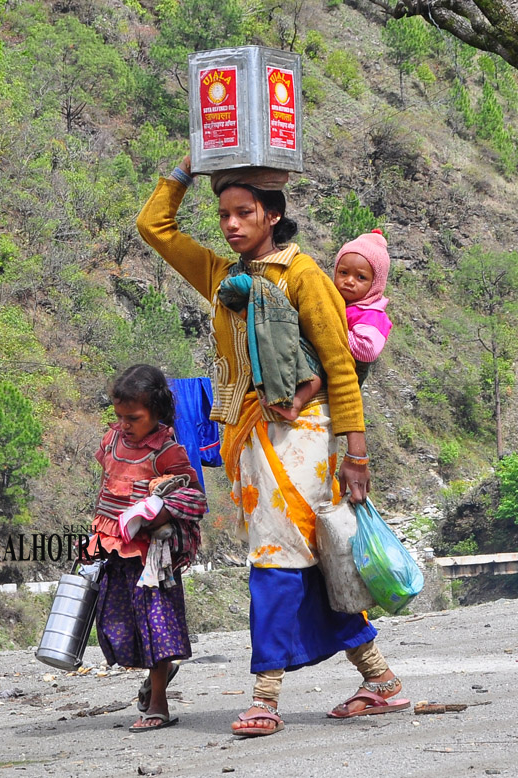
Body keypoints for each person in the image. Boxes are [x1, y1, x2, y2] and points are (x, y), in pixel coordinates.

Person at [136, 157, 409, 737]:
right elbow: (154, 228)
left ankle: (265, 696)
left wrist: (355, 451)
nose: (231, 224)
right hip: (252, 441)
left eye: (244, 213)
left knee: (275, 562)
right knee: (305, 563)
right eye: (224, 215)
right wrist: (186, 169)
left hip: (305, 437)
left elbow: (338, 363)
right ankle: (380, 681)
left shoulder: (302, 274)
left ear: (273, 214)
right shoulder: (221, 276)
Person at [87, 364, 206, 732]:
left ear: (156, 412)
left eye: (134, 418)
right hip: (113, 549)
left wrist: (156, 509)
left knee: (157, 627)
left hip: (152, 559)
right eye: (119, 416)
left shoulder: (167, 451)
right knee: (119, 626)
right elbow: (108, 485)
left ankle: (158, 705)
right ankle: (160, 674)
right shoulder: (112, 440)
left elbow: (194, 498)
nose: (125, 424)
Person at [333, 229, 393, 385]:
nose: (349, 281)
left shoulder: (371, 315)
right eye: (343, 272)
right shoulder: (340, 302)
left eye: (361, 277)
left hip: (345, 383)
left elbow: (368, 350)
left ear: (375, 283)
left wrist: (330, 329)